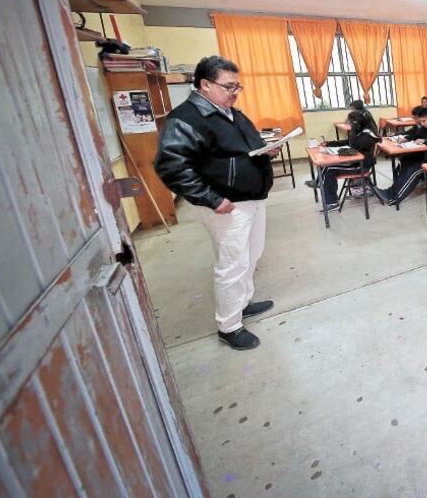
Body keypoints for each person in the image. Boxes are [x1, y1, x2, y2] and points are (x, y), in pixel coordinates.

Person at [154, 56, 278, 351]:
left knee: (251, 255)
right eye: (228, 86)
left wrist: (265, 151)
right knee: (232, 264)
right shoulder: (187, 118)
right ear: (205, 85)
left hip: (250, 197)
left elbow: (245, 147)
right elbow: (171, 165)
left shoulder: (230, 112)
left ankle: (243, 303)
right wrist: (211, 198)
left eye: (238, 86)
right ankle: (229, 326)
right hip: (227, 203)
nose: (234, 92)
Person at [373, 106, 427, 206]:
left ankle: (394, 198)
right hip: (426, 156)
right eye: (420, 121)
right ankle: (390, 191)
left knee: (415, 170)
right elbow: (415, 135)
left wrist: (426, 141)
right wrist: (406, 139)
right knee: (406, 161)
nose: (422, 123)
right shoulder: (424, 127)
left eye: (424, 121)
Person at [305, 110, 380, 210]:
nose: (349, 125)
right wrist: (329, 144)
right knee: (326, 167)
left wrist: (353, 132)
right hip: (354, 162)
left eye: (351, 123)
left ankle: (330, 200)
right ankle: (322, 187)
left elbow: (352, 145)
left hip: (361, 166)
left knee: (328, 169)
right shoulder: (361, 132)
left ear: (357, 124)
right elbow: (349, 142)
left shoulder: (367, 136)